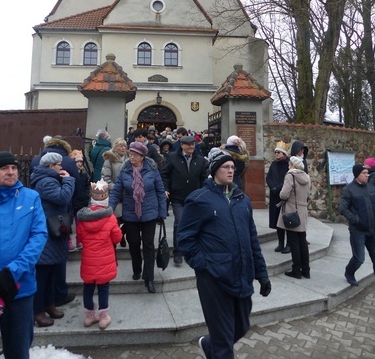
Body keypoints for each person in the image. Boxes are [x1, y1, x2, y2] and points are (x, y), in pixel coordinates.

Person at [177, 148, 271, 359]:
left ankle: (209, 346)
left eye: (232, 167)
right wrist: (205, 265)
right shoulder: (199, 199)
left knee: (242, 325)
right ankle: (216, 348)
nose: (231, 170)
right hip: (214, 279)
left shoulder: (243, 200)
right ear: (214, 171)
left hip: (242, 274)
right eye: (225, 167)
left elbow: (252, 239)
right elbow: (184, 238)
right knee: (223, 342)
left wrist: (262, 274)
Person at [0, 152, 47, 359]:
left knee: (19, 350)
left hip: (20, 287)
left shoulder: (31, 198)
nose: (11, 172)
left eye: (14, 168)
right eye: (4, 168)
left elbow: (38, 236)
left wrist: (13, 271)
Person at [109, 142, 167, 294]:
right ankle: (137, 268)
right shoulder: (125, 170)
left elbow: (160, 191)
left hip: (150, 213)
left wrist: (162, 211)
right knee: (133, 243)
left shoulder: (152, 170)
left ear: (142, 156)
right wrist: (109, 209)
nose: (131, 157)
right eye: (131, 154)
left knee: (148, 245)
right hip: (130, 213)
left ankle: (149, 278)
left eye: (135, 154)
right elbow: (116, 192)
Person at [31, 136, 80, 306]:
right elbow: (63, 197)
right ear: (51, 166)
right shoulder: (46, 181)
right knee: (46, 272)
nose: (62, 166)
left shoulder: (44, 173)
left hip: (55, 224)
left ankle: (50, 304)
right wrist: (68, 180)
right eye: (59, 165)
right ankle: (41, 307)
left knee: (53, 268)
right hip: (51, 226)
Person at [76, 179, 123, 330]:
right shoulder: (110, 218)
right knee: (103, 288)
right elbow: (117, 238)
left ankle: (89, 317)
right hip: (105, 260)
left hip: (89, 260)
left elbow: (80, 238)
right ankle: (103, 317)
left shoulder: (82, 220)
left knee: (88, 288)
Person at [161, 135, 208, 265]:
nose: (191, 147)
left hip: (195, 198)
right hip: (177, 197)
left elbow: (204, 178)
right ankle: (177, 251)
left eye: (193, 144)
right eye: (188, 145)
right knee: (180, 222)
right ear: (182, 145)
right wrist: (165, 188)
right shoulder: (172, 157)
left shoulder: (200, 160)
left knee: (195, 224)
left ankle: (192, 248)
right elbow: (164, 174)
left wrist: (204, 191)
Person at [339, 163, 375, 286]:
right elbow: (343, 209)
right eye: (364, 173)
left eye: (367, 173)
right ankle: (349, 272)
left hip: (372, 229)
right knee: (359, 258)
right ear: (357, 175)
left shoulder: (371, 187)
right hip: (358, 230)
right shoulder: (348, 190)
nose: (367, 175)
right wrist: (355, 220)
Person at [277, 156, 311, 279]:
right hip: (302, 210)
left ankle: (296, 270)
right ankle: (306, 270)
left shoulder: (290, 175)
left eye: (289, 164)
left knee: (293, 241)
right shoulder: (306, 177)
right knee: (302, 241)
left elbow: (284, 194)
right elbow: (308, 194)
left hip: (291, 211)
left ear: (292, 165)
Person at [266, 141, 291, 254]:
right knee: (277, 221)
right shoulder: (273, 164)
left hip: (284, 196)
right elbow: (269, 177)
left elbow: (287, 179)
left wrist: (279, 188)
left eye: (279, 152)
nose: (276, 154)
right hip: (274, 196)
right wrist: (272, 187)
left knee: (286, 221)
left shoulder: (288, 165)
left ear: (284, 154)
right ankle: (280, 243)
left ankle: (289, 244)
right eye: (275, 152)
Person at [72, 154, 91, 250]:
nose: (79, 164)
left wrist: (86, 196)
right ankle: (70, 241)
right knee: (71, 222)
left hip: (81, 201)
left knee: (80, 223)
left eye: (81, 162)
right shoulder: (72, 174)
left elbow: (87, 187)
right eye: (77, 162)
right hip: (73, 200)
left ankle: (79, 240)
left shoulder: (84, 175)